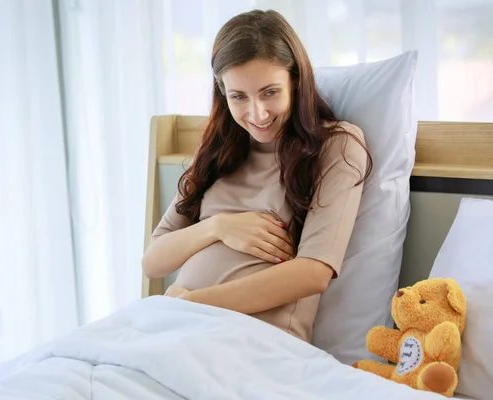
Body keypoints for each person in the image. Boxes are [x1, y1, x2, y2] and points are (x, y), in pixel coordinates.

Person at [141, 9, 372, 343]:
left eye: (270, 92)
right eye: (239, 97)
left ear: (295, 80)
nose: (257, 113)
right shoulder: (214, 154)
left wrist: (193, 303)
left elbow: (313, 272)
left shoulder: (336, 145)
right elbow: (153, 262)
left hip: (255, 341)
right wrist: (219, 227)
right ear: (222, 93)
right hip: (179, 328)